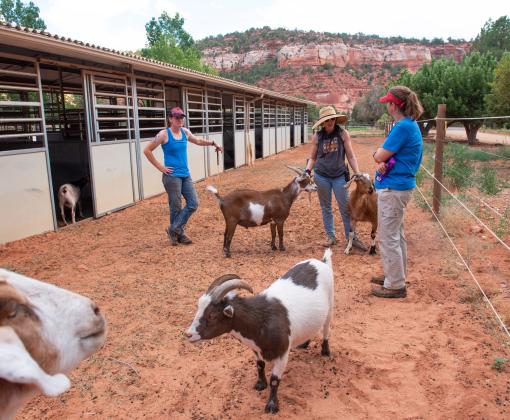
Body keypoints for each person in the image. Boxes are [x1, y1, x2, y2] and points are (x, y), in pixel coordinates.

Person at [371, 86, 423, 298]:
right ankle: (394, 275)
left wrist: (378, 157)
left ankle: (395, 285)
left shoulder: (402, 127)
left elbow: (380, 155)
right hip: (400, 185)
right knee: (396, 234)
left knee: (388, 236)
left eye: (389, 102)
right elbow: (395, 157)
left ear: (395, 105)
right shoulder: (411, 125)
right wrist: (386, 163)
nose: (387, 105)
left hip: (394, 189)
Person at [144, 107, 223, 246]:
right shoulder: (164, 134)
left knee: (193, 203)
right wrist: (160, 167)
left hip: (185, 174)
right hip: (171, 176)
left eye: (181, 117)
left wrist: (212, 143)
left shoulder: (185, 132)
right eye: (176, 117)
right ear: (170, 119)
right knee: (176, 206)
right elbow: (147, 150)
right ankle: (177, 235)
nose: (180, 120)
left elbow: (197, 140)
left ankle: (174, 229)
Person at [305, 105, 368, 250]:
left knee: (346, 207)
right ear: (322, 122)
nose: (330, 122)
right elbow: (313, 158)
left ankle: (352, 237)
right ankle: (330, 236)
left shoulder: (343, 134)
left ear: (335, 119)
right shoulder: (317, 137)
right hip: (321, 176)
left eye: (332, 119)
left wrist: (357, 172)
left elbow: (350, 155)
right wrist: (307, 171)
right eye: (327, 120)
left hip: (339, 176)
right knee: (325, 207)